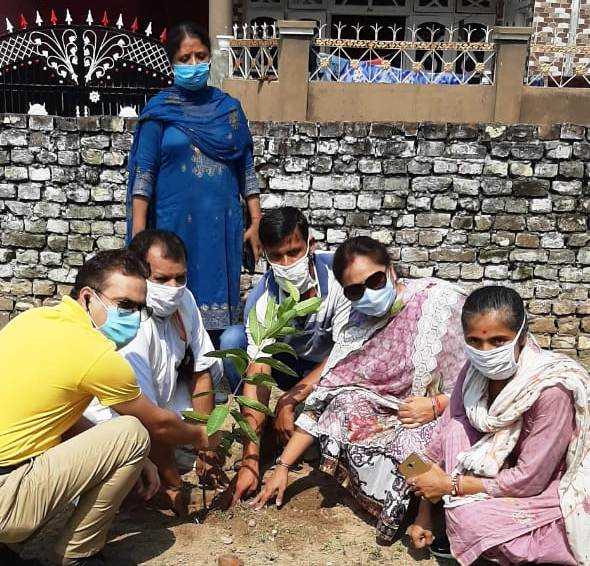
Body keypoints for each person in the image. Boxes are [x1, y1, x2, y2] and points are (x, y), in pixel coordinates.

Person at [0, 249, 214, 566]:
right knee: (132, 432)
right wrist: (207, 438)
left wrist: (131, 459)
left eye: (140, 309)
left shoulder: (33, 320)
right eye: (124, 305)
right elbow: (159, 426)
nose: (133, 318)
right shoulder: (97, 355)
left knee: (121, 440)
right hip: (7, 499)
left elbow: (61, 417)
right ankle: (78, 555)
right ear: (87, 298)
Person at [250, 236, 467, 543]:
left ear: (390, 270)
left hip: (445, 413)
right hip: (393, 416)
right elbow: (324, 396)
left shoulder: (440, 302)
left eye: (375, 280)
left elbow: (477, 378)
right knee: (342, 405)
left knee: (416, 441)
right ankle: (394, 500)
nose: (368, 293)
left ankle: (424, 509)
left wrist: (437, 405)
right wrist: (283, 466)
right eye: (356, 290)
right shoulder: (357, 329)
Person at [406, 285, 590, 565]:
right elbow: (444, 435)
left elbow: (531, 479)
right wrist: (424, 513)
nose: (486, 352)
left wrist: (450, 486)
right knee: (424, 450)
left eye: (498, 341)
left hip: (548, 482)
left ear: (521, 337)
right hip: (492, 469)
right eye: (475, 342)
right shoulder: (472, 372)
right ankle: (448, 518)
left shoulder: (551, 391)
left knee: (472, 520)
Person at [127, 21, 262, 338]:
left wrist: (255, 220)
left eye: (201, 56)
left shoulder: (228, 110)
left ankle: (214, 375)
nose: (194, 65)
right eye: (185, 59)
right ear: (171, 61)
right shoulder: (159, 112)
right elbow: (144, 177)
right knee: (169, 300)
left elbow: (247, 168)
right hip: (172, 227)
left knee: (221, 327)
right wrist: (138, 238)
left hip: (220, 227)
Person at [84, 230, 224, 515]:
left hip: (162, 401)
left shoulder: (184, 301)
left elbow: (201, 371)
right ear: (138, 274)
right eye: (161, 279)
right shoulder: (131, 327)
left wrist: (206, 447)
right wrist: (173, 486)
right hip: (118, 418)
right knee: (133, 450)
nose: (173, 287)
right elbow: (146, 418)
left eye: (180, 278)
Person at [223, 207, 352, 506]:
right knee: (233, 343)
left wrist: (288, 400)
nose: (286, 263)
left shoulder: (339, 280)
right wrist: (250, 461)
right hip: (287, 365)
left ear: (312, 245)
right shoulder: (263, 300)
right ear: (266, 256)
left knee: (321, 434)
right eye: (277, 256)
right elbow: (259, 371)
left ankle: (285, 421)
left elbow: (343, 354)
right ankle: (260, 433)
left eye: (294, 252)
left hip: (330, 364)